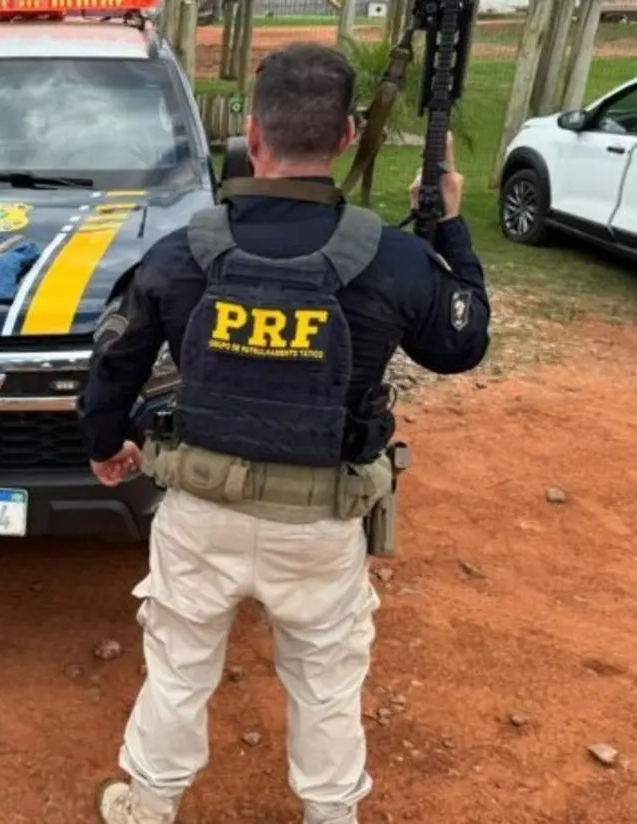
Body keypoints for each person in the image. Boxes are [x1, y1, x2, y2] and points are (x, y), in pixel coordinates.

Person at [79, 43, 491, 824]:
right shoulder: (393, 260)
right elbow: (462, 344)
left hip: (200, 516)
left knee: (178, 670)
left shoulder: (180, 253)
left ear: (252, 136)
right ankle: (331, 815)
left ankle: (150, 806)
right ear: (345, 138)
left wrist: (106, 443)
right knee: (326, 682)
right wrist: (450, 226)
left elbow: (112, 367)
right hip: (320, 523)